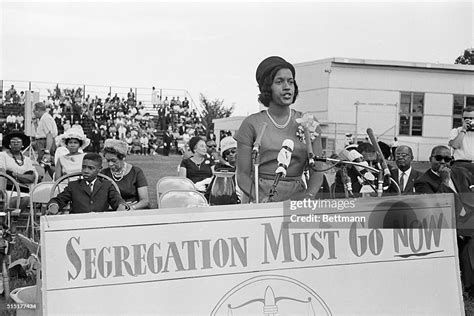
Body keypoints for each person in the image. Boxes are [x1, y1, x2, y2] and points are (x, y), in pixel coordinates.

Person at [235, 56, 324, 203]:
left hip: (298, 199)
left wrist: (308, 197)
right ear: (267, 87)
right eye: (279, 82)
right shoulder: (251, 124)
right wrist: (261, 199)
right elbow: (242, 176)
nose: (287, 87)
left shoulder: (309, 123)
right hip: (258, 198)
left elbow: (317, 172)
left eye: (290, 82)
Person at [414, 145, 474, 294]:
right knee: (469, 238)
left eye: (447, 159)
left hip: (468, 217)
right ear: (430, 159)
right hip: (446, 222)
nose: (443, 162)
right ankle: (470, 286)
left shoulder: (461, 173)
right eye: (438, 158)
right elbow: (436, 206)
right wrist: (445, 181)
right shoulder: (423, 181)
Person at [47, 153, 128, 214]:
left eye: (91, 168)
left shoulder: (107, 185)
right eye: (83, 167)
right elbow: (59, 199)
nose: (85, 171)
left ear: (99, 169)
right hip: (78, 225)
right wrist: (54, 205)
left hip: (100, 224)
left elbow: (117, 200)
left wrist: (121, 205)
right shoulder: (73, 186)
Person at [101, 139, 150, 210]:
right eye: (108, 161)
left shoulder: (136, 172)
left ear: (123, 157)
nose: (110, 164)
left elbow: (145, 201)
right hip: (113, 212)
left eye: (114, 161)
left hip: (135, 211)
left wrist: (131, 208)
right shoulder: (103, 174)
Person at [0, 131, 37, 209]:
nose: (16, 143)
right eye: (13, 141)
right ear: (9, 144)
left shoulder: (27, 160)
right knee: (14, 200)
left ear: (22, 144)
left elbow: (31, 178)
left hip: (24, 190)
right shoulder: (3, 155)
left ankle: (13, 218)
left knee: (26, 199)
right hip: (7, 189)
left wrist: (14, 174)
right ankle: (8, 218)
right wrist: (22, 177)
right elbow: (2, 174)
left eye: (18, 141)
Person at [449, 106, 474, 180]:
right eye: (466, 118)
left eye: (472, 118)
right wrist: (463, 130)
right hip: (460, 165)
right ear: (462, 119)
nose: (469, 120)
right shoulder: (455, 131)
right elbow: (454, 145)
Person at [33, 102, 58, 175]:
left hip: (45, 144)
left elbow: (49, 135)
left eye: (34, 111)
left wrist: (47, 151)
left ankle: (57, 181)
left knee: (44, 165)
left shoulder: (46, 118)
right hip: (41, 143)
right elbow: (39, 133)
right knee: (46, 165)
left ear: (38, 110)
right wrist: (35, 124)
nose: (34, 113)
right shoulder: (42, 119)